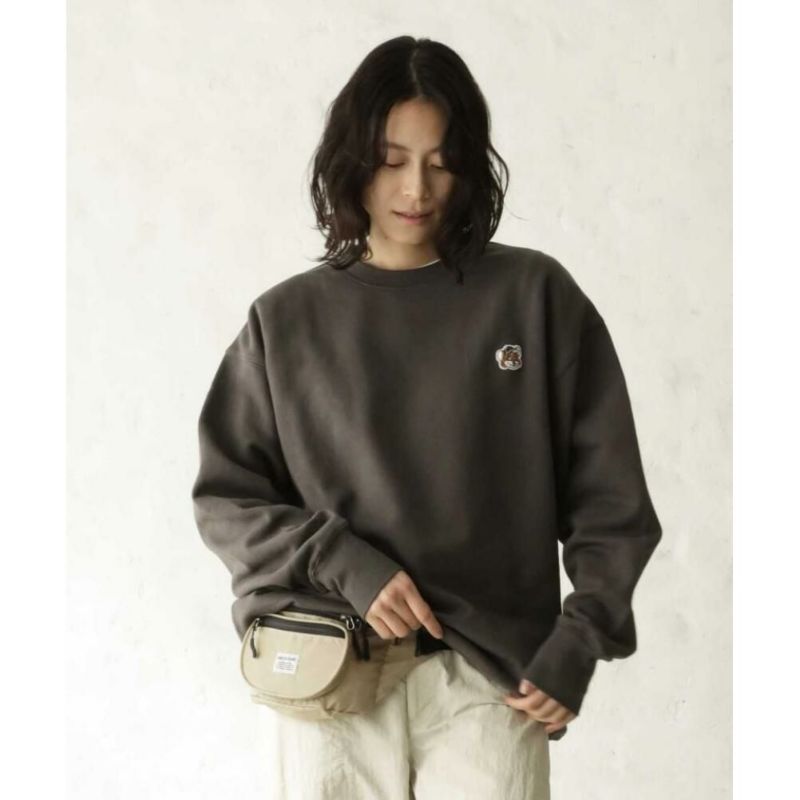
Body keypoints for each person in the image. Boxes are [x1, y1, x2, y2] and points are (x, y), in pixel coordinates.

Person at [191, 35, 662, 799]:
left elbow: (612, 502)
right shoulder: (285, 321)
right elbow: (226, 500)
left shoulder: (535, 298)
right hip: (329, 669)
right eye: (391, 160)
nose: (417, 188)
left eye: (441, 162)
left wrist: (580, 640)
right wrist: (343, 561)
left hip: (491, 679)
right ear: (352, 160)